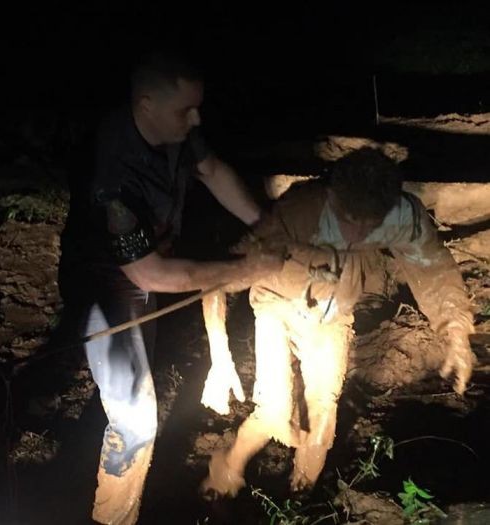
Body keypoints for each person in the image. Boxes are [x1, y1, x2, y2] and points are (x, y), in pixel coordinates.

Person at [57, 51, 284, 524]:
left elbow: (213, 171)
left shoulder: (174, 131)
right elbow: (150, 274)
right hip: (105, 283)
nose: (197, 118)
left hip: (143, 272)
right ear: (146, 105)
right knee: (135, 417)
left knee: (139, 387)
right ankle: (112, 518)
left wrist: (266, 224)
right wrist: (243, 269)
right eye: (187, 110)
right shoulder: (114, 175)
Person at [199, 147, 476, 498]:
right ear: (332, 196)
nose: (357, 233)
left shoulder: (399, 216)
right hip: (278, 303)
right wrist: (220, 358)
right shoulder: (296, 214)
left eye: (370, 223)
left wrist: (456, 331)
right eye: (348, 218)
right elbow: (215, 280)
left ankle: (300, 495)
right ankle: (225, 474)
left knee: (323, 413)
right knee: (273, 410)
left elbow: (432, 264)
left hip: (333, 313)